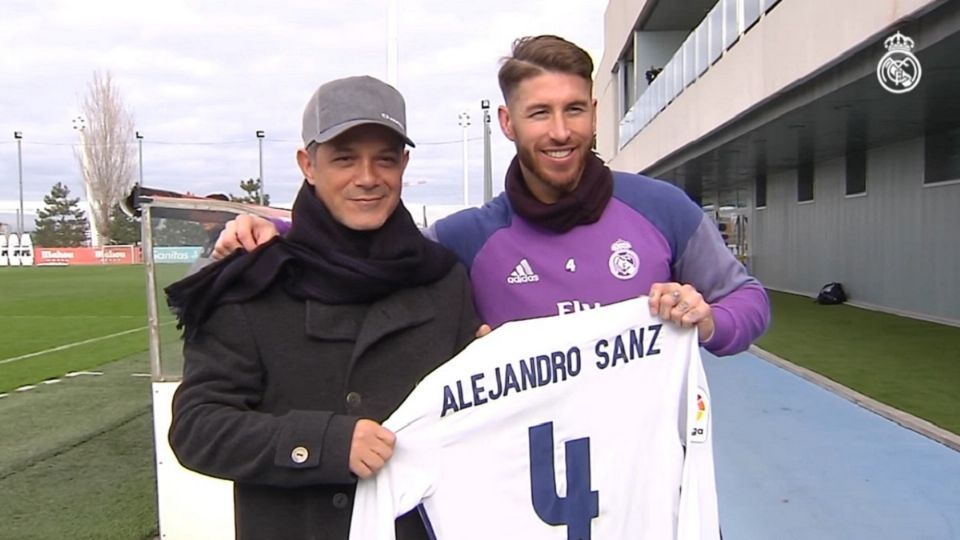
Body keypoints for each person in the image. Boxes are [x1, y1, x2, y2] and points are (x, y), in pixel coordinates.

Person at [214, 35, 770, 356]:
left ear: (595, 115)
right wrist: (275, 227)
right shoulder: (468, 237)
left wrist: (707, 322)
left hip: (654, 493)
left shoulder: (661, 208)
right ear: (507, 122)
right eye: (539, 113)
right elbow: (373, 251)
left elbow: (748, 299)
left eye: (574, 109)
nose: (559, 131)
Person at [166, 76, 480, 540]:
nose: (368, 178)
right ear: (307, 165)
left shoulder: (444, 279)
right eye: (345, 159)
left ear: (404, 165)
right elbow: (197, 428)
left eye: (385, 160)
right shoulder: (253, 279)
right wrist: (324, 444)